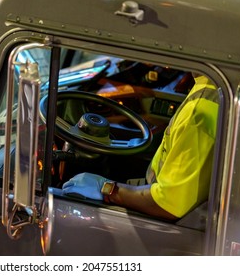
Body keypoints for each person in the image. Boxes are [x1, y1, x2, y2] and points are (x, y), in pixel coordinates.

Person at [62, 74, 220, 220]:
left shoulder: (199, 111)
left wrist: (107, 189)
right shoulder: (209, 87)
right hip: (154, 189)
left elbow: (168, 204)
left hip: (161, 217)